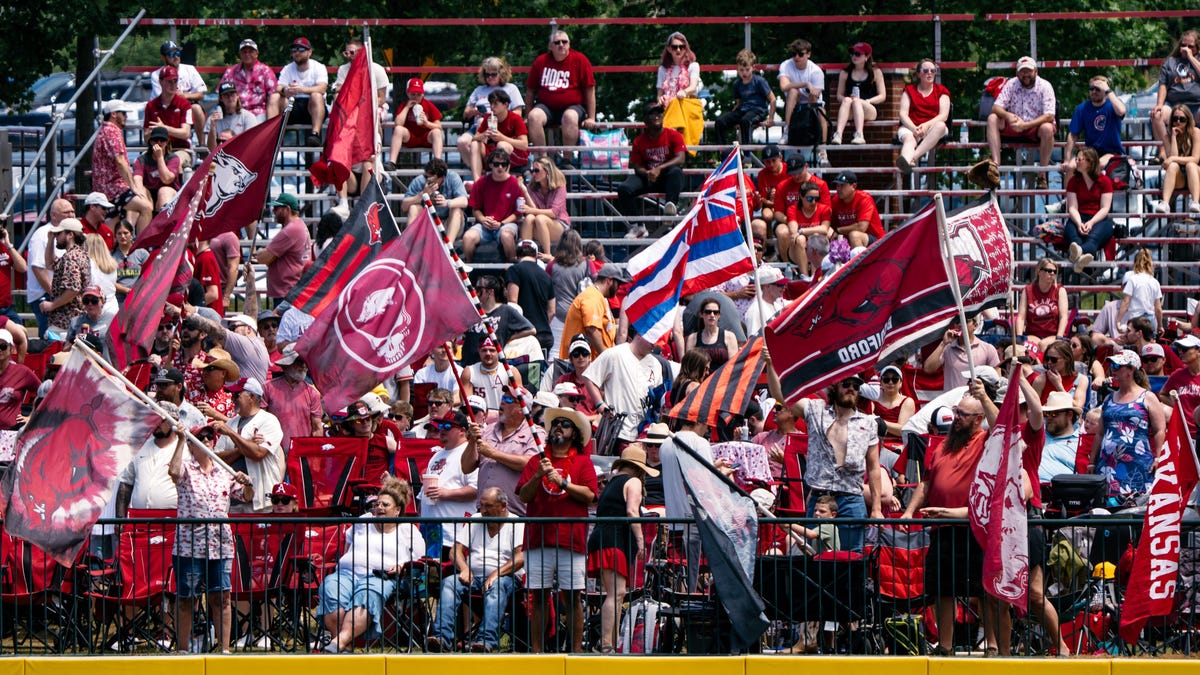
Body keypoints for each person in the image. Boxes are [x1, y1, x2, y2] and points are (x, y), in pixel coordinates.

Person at [899, 385, 993, 656]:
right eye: (956, 411)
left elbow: (1001, 426)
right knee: (943, 588)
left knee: (983, 588)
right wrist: (909, 511)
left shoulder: (986, 439)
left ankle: (991, 644)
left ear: (977, 419)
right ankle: (946, 645)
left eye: (963, 413)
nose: (956, 417)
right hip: (942, 528)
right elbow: (926, 484)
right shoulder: (942, 446)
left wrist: (984, 397)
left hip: (974, 528)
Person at [516, 407, 598, 654]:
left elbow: (590, 495)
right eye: (556, 423)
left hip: (570, 539)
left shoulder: (583, 462)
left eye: (565, 424)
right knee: (538, 597)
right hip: (538, 538)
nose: (558, 427)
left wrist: (563, 482)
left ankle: (576, 652)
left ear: (575, 434)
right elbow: (524, 495)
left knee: (572, 598)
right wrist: (538, 475)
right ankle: (537, 652)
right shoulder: (536, 461)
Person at [168, 424, 253, 654]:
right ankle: (183, 650)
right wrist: (180, 441)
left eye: (210, 437)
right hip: (189, 545)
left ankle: (224, 649)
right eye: (201, 437)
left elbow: (246, 496)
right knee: (187, 598)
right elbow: (174, 473)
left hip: (220, 544)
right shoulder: (186, 467)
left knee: (222, 596)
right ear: (191, 444)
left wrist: (248, 483)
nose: (207, 440)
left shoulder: (224, 471)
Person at [317, 476, 425, 653]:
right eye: (377, 504)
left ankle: (337, 643)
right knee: (330, 587)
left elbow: (419, 559)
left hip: (381, 576)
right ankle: (345, 646)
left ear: (397, 510)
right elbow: (347, 547)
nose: (379, 508)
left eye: (385, 505)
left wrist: (400, 566)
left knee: (368, 593)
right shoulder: (363, 521)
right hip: (347, 574)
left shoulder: (408, 529)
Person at [778, 373, 882, 552]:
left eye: (856, 386)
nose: (852, 388)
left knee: (852, 560)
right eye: (846, 384)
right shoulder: (816, 410)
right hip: (820, 499)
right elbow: (783, 395)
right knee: (815, 558)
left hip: (851, 499)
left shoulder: (869, 423)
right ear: (834, 386)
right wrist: (772, 365)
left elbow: (873, 468)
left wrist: (877, 509)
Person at [428, 487, 524, 653]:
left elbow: (521, 557)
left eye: (488, 506)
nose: (483, 510)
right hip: (474, 576)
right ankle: (441, 638)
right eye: (481, 505)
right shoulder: (476, 519)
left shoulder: (517, 522)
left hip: (506, 577)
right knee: (449, 583)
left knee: (498, 586)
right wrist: (464, 568)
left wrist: (496, 573)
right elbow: (454, 551)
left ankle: (485, 641)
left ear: (503, 506)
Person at [587, 444, 655, 653]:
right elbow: (632, 511)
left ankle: (611, 641)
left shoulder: (610, 482)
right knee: (616, 593)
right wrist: (641, 539)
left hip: (602, 537)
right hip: (614, 539)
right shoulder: (633, 481)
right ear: (639, 468)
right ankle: (608, 644)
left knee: (615, 592)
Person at [1090, 349, 1166, 496]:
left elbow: (1159, 430)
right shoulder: (1108, 399)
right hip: (1108, 464)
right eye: (1112, 366)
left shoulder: (1147, 397)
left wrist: (1158, 457)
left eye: (1118, 366)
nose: (1113, 370)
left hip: (1138, 463)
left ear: (1131, 369)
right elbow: (1100, 433)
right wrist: (1092, 461)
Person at [462, 388, 544, 517]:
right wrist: (472, 441)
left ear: (522, 409)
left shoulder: (535, 433)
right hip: (484, 511)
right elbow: (466, 468)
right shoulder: (487, 430)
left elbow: (529, 463)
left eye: (509, 399)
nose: (503, 402)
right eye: (503, 398)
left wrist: (493, 454)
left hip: (515, 513)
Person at [212, 377, 284, 513]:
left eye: (237, 395)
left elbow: (257, 454)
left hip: (261, 499)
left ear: (251, 396)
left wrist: (232, 435)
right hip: (232, 500)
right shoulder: (231, 423)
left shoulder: (268, 420)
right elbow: (217, 461)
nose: (233, 399)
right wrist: (246, 445)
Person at [617, 104, 686, 238]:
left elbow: (680, 159)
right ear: (645, 120)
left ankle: (669, 215)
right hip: (649, 177)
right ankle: (638, 226)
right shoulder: (639, 141)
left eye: (659, 113)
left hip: (668, 178)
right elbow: (636, 166)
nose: (657, 116)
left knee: (676, 172)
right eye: (652, 114)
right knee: (624, 189)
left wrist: (659, 168)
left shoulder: (674, 135)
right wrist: (647, 173)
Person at [525, 30, 597, 156]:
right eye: (557, 42)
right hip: (546, 107)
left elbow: (590, 90)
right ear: (550, 46)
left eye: (564, 42)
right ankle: (543, 160)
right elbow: (530, 91)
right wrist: (527, 115)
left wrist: (591, 117)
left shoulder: (580, 60)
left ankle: (567, 159)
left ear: (569, 44)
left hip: (573, 107)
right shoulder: (541, 61)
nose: (561, 45)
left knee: (569, 117)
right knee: (533, 117)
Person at [987, 57, 1057, 186]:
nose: (1026, 75)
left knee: (1047, 128)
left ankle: (1042, 174)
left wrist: (1025, 125)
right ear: (1017, 73)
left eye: (1028, 71)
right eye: (1022, 71)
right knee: (992, 118)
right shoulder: (1011, 83)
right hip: (1013, 125)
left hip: (1035, 127)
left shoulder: (1045, 86)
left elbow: (1049, 115)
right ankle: (995, 165)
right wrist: (1008, 116)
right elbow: (996, 107)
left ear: (1036, 71)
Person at [585, 336, 666, 446]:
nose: (654, 345)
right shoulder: (615, 354)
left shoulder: (656, 364)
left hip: (643, 434)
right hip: (616, 431)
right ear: (640, 334)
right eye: (652, 338)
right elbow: (590, 377)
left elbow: (657, 397)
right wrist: (600, 405)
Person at [420, 409, 479, 554]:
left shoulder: (469, 453)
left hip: (453, 535)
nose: (442, 431)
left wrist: (446, 493)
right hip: (430, 532)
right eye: (441, 426)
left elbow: (476, 489)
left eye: (448, 427)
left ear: (462, 431)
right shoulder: (437, 455)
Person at [92, 102, 153, 231]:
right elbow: (120, 161)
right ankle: (140, 248)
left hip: (107, 187)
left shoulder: (104, 130)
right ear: (114, 114)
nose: (126, 117)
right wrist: (133, 187)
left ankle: (126, 240)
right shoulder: (112, 131)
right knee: (146, 207)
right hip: (113, 188)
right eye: (123, 113)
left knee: (143, 196)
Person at [457, 57, 527, 164]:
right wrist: (475, 111)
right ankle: (476, 169)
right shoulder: (479, 90)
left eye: (493, 74)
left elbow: (518, 113)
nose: (490, 77)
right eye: (487, 74)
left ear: (501, 73)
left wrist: (497, 115)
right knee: (462, 142)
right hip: (479, 127)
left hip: (503, 127)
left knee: (483, 122)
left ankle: (486, 165)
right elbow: (466, 114)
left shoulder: (511, 88)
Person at [116, 404, 182, 515]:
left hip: (172, 519)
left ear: (174, 421)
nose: (156, 423)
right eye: (153, 418)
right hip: (138, 518)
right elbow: (126, 483)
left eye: (161, 419)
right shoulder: (139, 447)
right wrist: (120, 518)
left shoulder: (184, 449)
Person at [461, 274, 536, 368]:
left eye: (479, 289)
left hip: (492, 366)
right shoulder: (471, 309)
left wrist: (506, 337)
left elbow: (531, 330)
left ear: (490, 292)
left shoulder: (506, 311)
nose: (475, 292)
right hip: (469, 364)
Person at [1062, 75, 1126, 182]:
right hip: (1091, 152)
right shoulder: (1082, 108)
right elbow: (1073, 134)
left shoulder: (1113, 105)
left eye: (1098, 88)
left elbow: (1121, 111)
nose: (1094, 91)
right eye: (1091, 88)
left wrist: (1108, 90)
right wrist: (1067, 159)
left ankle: (1094, 195)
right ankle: (1068, 197)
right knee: (1071, 167)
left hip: (1112, 152)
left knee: (1098, 164)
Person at [261, 345, 323, 453]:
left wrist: (314, 455)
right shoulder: (268, 388)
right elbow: (260, 421)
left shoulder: (312, 393)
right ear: (286, 366)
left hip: (302, 453)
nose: (304, 366)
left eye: (305, 362)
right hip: (273, 451)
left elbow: (317, 428)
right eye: (299, 362)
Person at [464, 149, 522, 262]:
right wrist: (483, 219)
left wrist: (501, 223)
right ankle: (469, 270)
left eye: (503, 164)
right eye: (496, 164)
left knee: (506, 236)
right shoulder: (481, 183)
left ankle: (513, 269)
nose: (500, 167)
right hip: (484, 225)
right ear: (490, 165)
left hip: (507, 224)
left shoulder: (515, 184)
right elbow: (475, 209)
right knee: (468, 237)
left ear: (508, 166)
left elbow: (518, 214)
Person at [1064, 146, 1115, 273]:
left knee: (1093, 240)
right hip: (1079, 217)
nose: (1077, 162)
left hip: (1099, 219)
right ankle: (1080, 257)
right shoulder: (1073, 182)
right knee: (1073, 239)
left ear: (1089, 162)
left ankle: (1078, 259)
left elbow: (1105, 208)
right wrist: (1079, 222)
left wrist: (1091, 222)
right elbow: (1072, 207)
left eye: (1080, 159)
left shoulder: (1105, 181)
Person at [254, 193, 312, 303]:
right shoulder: (298, 224)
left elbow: (263, 258)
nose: (273, 211)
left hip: (287, 292)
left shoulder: (290, 230)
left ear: (287, 209)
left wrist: (261, 253)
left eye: (276, 208)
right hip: (292, 289)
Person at [896, 58, 951, 175]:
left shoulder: (942, 90)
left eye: (933, 70)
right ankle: (904, 163)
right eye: (925, 70)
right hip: (911, 126)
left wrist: (925, 126)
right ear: (918, 74)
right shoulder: (909, 90)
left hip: (932, 127)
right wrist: (914, 129)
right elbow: (903, 114)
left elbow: (944, 115)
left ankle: (911, 158)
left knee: (941, 126)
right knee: (909, 139)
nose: (930, 73)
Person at [560, 263, 627, 358]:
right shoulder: (592, 297)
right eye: (618, 283)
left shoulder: (599, 297)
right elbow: (592, 329)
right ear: (609, 280)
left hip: (589, 364)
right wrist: (606, 357)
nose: (619, 287)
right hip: (582, 364)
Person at [41, 218, 91, 338]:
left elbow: (73, 289)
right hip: (74, 320)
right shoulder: (79, 254)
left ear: (70, 235)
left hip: (66, 321)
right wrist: (50, 240)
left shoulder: (70, 258)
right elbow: (50, 264)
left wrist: (51, 305)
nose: (56, 237)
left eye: (59, 234)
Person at [1151, 31, 1200, 154]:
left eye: (1190, 46)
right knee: (1157, 115)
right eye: (1183, 45)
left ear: (1197, 48)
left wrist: (1191, 58)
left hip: (1196, 105)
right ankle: (1163, 152)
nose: (1186, 49)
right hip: (1174, 105)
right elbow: (1163, 84)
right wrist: (1159, 104)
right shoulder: (1170, 62)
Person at [400, 158, 469, 245]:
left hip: (449, 223)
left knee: (456, 210)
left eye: (432, 179)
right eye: (427, 177)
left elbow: (464, 201)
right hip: (428, 223)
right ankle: (409, 246)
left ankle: (448, 249)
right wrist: (422, 194)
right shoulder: (419, 180)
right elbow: (404, 206)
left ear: (442, 177)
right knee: (414, 208)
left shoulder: (453, 177)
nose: (428, 180)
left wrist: (447, 202)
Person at [714, 49, 775, 145]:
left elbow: (772, 99)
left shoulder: (759, 81)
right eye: (741, 70)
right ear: (737, 69)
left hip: (758, 110)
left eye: (747, 69)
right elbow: (738, 103)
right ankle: (722, 152)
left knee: (745, 121)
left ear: (753, 68)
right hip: (743, 110)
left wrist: (770, 118)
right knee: (720, 122)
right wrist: (732, 117)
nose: (744, 73)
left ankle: (747, 152)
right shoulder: (737, 84)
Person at [152, 41, 207, 145]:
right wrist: (176, 97)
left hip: (188, 106)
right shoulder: (156, 75)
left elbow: (201, 94)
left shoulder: (189, 69)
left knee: (196, 108)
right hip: (166, 109)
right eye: (171, 54)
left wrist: (184, 95)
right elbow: (161, 97)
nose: (176, 57)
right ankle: (164, 145)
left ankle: (202, 145)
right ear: (163, 57)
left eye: (177, 53)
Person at [831, 41, 886, 146]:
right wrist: (848, 100)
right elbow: (839, 95)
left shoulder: (875, 72)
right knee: (848, 99)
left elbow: (882, 96)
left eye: (858, 54)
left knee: (857, 101)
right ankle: (838, 134)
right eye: (852, 53)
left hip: (869, 108)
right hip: (850, 108)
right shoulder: (845, 73)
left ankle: (860, 134)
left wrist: (867, 101)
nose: (854, 56)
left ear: (867, 56)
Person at [466, 89, 528, 181]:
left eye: (495, 104)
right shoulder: (488, 117)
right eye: (491, 103)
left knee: (501, 145)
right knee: (475, 144)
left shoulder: (515, 119)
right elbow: (474, 138)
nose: (491, 107)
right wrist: (483, 135)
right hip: (494, 152)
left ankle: (502, 180)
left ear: (506, 105)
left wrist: (502, 137)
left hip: (515, 154)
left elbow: (524, 145)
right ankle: (477, 182)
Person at [276, 37, 327, 146]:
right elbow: (278, 87)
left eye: (301, 50)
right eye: (294, 50)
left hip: (312, 108)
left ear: (310, 52)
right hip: (293, 106)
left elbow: (322, 88)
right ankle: (273, 136)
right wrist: (286, 90)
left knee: (316, 96)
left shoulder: (319, 67)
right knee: (275, 97)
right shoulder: (287, 68)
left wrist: (302, 89)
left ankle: (315, 134)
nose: (297, 53)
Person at [506, 240, 555, 354]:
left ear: (517, 255)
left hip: (524, 334)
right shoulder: (546, 276)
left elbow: (513, 303)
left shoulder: (515, 270)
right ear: (536, 256)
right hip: (545, 334)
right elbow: (552, 311)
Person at [778, 39, 827, 150]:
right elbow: (783, 86)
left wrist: (811, 92)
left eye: (800, 54)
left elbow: (815, 96)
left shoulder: (816, 71)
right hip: (794, 105)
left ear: (808, 54)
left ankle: (823, 149)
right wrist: (805, 84)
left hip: (812, 104)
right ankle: (787, 131)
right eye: (794, 54)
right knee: (793, 91)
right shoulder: (786, 65)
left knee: (821, 112)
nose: (796, 57)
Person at [657, 31, 704, 148]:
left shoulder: (693, 66)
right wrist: (661, 98)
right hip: (668, 107)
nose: (678, 50)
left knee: (675, 103)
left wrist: (684, 91)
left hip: (687, 104)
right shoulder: (663, 69)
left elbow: (693, 87)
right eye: (674, 47)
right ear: (668, 49)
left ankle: (668, 141)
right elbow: (659, 94)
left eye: (682, 47)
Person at [1151, 104, 1200, 214]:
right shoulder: (1168, 137)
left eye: (1182, 119)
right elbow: (1171, 161)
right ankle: (1165, 203)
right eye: (1175, 119)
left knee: (1191, 165)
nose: (1178, 122)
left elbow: (1195, 159)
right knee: (1173, 166)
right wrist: (1173, 137)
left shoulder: (1196, 132)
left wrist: (1173, 158)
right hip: (1179, 178)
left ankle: (1195, 202)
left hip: (1196, 174)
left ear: (1188, 120)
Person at [143, 65, 195, 166]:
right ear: (161, 82)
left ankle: (178, 182)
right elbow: (146, 138)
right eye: (169, 81)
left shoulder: (185, 104)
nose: (173, 85)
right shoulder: (151, 106)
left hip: (180, 149)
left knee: (174, 161)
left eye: (175, 81)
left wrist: (163, 128)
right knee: (140, 162)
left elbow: (185, 133)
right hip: (157, 148)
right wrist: (150, 134)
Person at [519, 156, 571, 255]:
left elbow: (553, 213)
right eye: (532, 170)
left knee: (540, 218)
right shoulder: (532, 186)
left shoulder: (559, 186)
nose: (533, 173)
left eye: (537, 170)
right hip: (539, 225)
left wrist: (532, 211)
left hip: (558, 224)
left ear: (547, 171)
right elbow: (533, 211)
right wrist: (525, 191)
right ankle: (526, 255)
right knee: (529, 218)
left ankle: (547, 254)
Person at [386, 78, 444, 165]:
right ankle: (392, 162)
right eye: (413, 94)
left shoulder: (428, 105)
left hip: (426, 137)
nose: (416, 97)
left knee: (437, 132)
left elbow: (439, 126)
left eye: (419, 94)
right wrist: (406, 108)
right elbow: (398, 123)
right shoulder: (404, 105)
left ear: (423, 94)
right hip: (410, 137)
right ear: (407, 93)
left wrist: (427, 123)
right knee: (398, 129)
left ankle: (437, 163)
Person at [219, 38, 280, 121]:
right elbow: (220, 93)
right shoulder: (230, 72)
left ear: (256, 54)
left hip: (258, 113)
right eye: (244, 52)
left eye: (251, 51)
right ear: (240, 54)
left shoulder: (266, 71)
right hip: (236, 112)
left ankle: (271, 132)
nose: (247, 54)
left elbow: (272, 94)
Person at [1016, 258, 1069, 351]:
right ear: (1039, 271)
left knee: (1043, 344)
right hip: (1032, 335)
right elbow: (1021, 317)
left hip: (1053, 335)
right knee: (1030, 345)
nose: (1052, 273)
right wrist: (1019, 337)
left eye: (1054, 271)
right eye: (1048, 271)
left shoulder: (1060, 290)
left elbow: (1064, 317)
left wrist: (1059, 337)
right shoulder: (1028, 290)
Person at [782, 180, 834, 275]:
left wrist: (802, 230)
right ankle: (805, 277)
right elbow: (794, 231)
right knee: (801, 239)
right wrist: (802, 233)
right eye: (810, 199)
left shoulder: (824, 209)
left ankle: (815, 276)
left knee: (816, 236)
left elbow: (824, 229)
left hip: (817, 250)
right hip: (797, 250)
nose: (814, 202)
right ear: (801, 197)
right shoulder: (793, 209)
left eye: (816, 199)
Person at [462, 338, 523, 411]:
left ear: (499, 351)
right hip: (479, 417)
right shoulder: (469, 372)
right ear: (479, 350)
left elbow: (518, 401)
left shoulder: (511, 372)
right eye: (484, 350)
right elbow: (467, 404)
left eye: (492, 350)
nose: (488, 353)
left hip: (503, 417)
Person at [829, 170, 883, 249]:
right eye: (837, 185)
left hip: (876, 242)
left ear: (854, 186)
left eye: (842, 185)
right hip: (848, 242)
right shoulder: (835, 201)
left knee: (854, 235)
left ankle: (860, 262)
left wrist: (839, 230)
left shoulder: (864, 199)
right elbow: (832, 226)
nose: (838, 189)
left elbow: (861, 227)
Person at [132, 126, 181, 211]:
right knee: (139, 193)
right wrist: (141, 195)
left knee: (164, 191)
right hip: (149, 193)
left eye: (162, 140)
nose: (159, 142)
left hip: (168, 193)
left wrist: (159, 157)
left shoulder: (173, 159)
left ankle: (163, 222)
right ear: (151, 142)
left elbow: (166, 179)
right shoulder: (141, 160)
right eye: (156, 140)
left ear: (167, 142)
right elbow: (137, 181)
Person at [1032, 340, 1090, 413]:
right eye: (1047, 359)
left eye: (1054, 359)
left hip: (1071, 422)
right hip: (1047, 421)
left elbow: (1078, 408)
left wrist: (1059, 386)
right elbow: (1032, 410)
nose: (1049, 362)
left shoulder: (1081, 379)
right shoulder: (1040, 380)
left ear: (1067, 359)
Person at [1161, 334, 1200, 437]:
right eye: (1179, 349)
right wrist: (1178, 406)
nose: (1181, 352)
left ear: (1198, 351)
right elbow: (1163, 394)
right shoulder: (1178, 375)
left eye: (1185, 349)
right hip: (1183, 433)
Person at [685, 297, 738, 369]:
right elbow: (689, 366)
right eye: (708, 312)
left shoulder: (729, 336)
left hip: (722, 378)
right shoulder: (692, 338)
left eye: (716, 312)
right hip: (701, 380)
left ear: (719, 315)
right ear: (701, 314)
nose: (712, 315)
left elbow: (733, 365)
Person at [0, 328, 38, 429]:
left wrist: (32, 416)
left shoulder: (22, 372)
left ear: (11, 349)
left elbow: (45, 393)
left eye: (3, 346)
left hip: (10, 432)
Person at [1118, 249, 1163, 332]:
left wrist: (1118, 321)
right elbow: (1158, 308)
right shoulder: (1155, 282)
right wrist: (1160, 326)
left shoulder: (1132, 280)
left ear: (1135, 263)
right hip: (1150, 321)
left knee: (1134, 343)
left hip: (1135, 320)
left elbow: (1125, 302)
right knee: (1150, 344)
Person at [206, 82, 259, 149]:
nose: (230, 98)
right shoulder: (213, 119)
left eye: (232, 95)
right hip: (219, 155)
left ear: (237, 96)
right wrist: (212, 127)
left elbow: (251, 144)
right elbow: (211, 149)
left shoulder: (248, 117)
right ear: (221, 98)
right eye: (226, 95)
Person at [872, 364, 916, 441]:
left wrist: (879, 422)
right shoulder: (874, 398)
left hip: (896, 445)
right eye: (886, 379)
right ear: (881, 383)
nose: (890, 382)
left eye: (895, 379)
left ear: (900, 383)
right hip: (875, 442)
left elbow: (901, 430)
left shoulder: (907, 402)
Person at [742, 266, 789, 336]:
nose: (784, 287)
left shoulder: (778, 307)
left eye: (784, 284)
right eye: (780, 285)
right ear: (767, 286)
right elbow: (753, 340)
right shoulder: (756, 310)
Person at [0, 222, 26, 325]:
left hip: (6, 308)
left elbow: (22, 267)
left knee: (21, 336)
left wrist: (8, 245)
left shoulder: (4, 247)